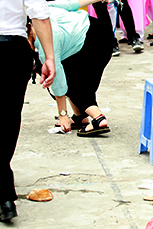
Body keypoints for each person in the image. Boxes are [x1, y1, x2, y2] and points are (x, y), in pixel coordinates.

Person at [0, 0, 55, 221]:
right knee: (8, 119)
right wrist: (50, 57)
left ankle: (4, 193)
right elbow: (39, 13)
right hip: (12, 48)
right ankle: (4, 195)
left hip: (13, 47)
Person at [32, 0, 114, 137]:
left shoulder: (44, 42)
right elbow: (72, 4)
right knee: (74, 76)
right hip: (99, 31)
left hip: (94, 43)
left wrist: (62, 114)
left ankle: (98, 118)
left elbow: (57, 80)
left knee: (72, 83)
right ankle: (80, 116)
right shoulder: (44, 9)